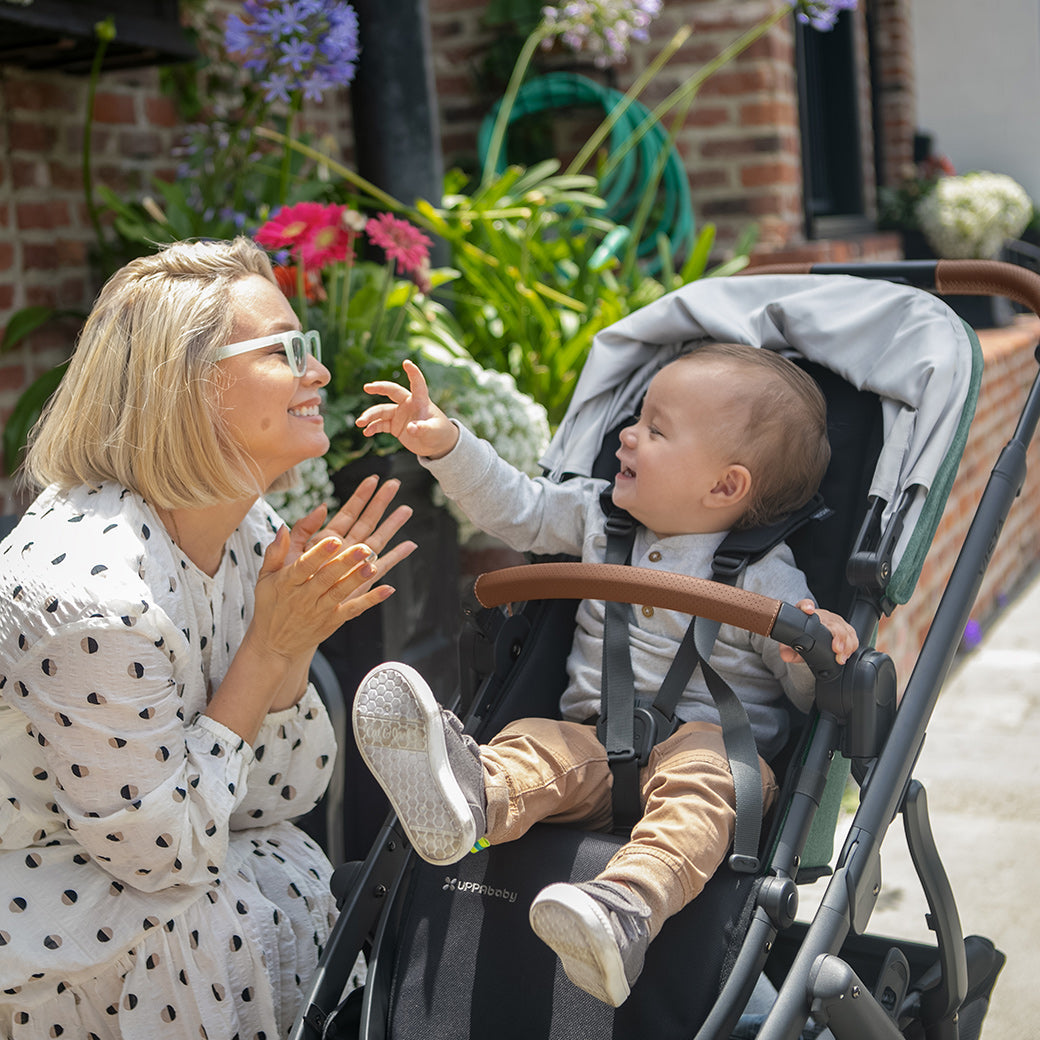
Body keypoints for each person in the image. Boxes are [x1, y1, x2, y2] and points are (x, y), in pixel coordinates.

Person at [350, 344, 859, 1008]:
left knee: (716, 776)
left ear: (725, 486)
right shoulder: (596, 517)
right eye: (636, 418)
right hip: (591, 743)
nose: (627, 434)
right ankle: (466, 796)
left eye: (655, 429)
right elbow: (516, 506)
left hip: (708, 757)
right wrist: (445, 443)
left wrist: (807, 654)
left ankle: (623, 909)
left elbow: (807, 700)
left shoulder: (766, 577)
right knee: (534, 740)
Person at [0, 237, 417, 1039]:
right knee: (206, 908)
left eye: (313, 347)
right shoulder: (92, 596)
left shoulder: (245, 530)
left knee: (278, 870)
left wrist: (293, 642)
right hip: (60, 934)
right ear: (185, 385)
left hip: (169, 891)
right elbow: (162, 857)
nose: (319, 373)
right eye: (285, 351)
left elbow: (280, 798)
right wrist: (268, 649)